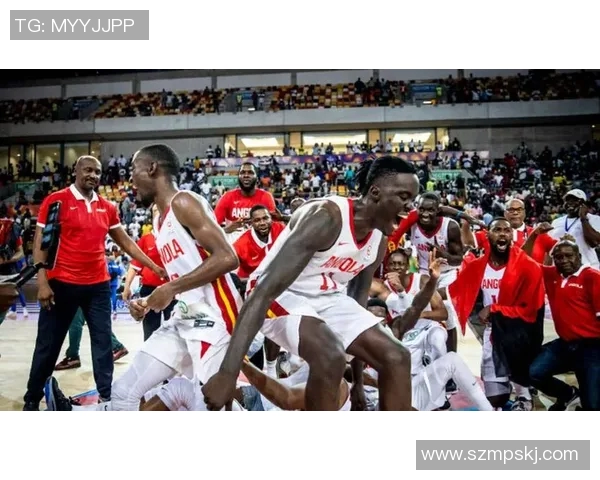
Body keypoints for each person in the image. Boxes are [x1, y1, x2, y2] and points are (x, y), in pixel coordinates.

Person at [202, 155, 421, 411]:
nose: (410, 208)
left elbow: (356, 311)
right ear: (375, 193)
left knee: (397, 357)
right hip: (277, 293)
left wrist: (358, 383)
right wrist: (227, 373)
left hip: (327, 298)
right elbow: (263, 292)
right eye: (404, 197)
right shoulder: (327, 216)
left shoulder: (378, 241)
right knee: (330, 354)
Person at [79, 144, 242, 411]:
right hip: (185, 315)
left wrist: (170, 288)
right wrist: (149, 302)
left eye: (134, 170)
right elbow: (185, 274)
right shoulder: (158, 222)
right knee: (123, 392)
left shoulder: (184, 202)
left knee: (212, 405)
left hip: (215, 318)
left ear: (152, 168)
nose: (130, 180)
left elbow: (227, 257)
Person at [23, 156, 164, 411]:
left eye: (97, 172)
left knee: (102, 343)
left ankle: (106, 398)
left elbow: (126, 242)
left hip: (97, 285)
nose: (93, 175)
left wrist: (153, 266)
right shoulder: (56, 200)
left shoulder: (107, 207)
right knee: (48, 345)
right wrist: (42, 281)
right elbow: (40, 242)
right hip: (61, 283)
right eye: (88, 170)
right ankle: (32, 399)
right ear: (76, 171)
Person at [445, 218, 545, 410]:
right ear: (487, 235)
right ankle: (510, 395)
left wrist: (494, 308)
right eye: (497, 230)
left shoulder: (528, 266)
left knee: (519, 385)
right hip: (492, 332)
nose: (502, 234)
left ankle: (524, 398)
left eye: (506, 230)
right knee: (494, 399)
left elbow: (531, 310)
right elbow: (454, 290)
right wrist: (424, 289)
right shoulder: (478, 265)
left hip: (518, 332)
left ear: (512, 235)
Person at [527, 239, 600, 411]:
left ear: (579, 256)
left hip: (593, 347)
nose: (564, 260)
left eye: (569, 255)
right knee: (534, 373)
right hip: (565, 345)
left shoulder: (593, 277)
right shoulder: (552, 274)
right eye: (559, 257)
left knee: (592, 406)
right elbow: (523, 258)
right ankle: (568, 394)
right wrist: (535, 234)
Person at [370, 248, 448, 368]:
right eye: (392, 264)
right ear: (386, 267)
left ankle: (446, 373)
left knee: (437, 341)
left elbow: (443, 314)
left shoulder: (421, 280)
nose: (397, 267)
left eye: (400, 264)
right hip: (406, 333)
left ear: (407, 266)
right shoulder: (382, 288)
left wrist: (420, 314)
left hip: (428, 327)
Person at [232, 204, 286, 376]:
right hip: (252, 290)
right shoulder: (241, 243)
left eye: (265, 218)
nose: (262, 223)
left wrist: (284, 217)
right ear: (251, 223)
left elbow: (304, 224)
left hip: (280, 287)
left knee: (276, 324)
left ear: (271, 218)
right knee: (257, 334)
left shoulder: (281, 229)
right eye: (257, 220)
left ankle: (272, 369)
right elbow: (231, 273)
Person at [122, 210, 177, 341]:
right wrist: (127, 286)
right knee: (150, 332)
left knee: (175, 330)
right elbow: (135, 265)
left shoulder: (175, 236)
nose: (158, 213)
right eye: (155, 211)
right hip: (149, 291)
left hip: (173, 289)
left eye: (160, 209)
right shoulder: (146, 239)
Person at [463, 198, 556, 264]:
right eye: (511, 210)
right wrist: (466, 224)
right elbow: (468, 242)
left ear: (524, 213)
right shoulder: (492, 233)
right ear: (505, 213)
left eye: (519, 210)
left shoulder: (539, 233)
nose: (515, 212)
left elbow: (558, 249)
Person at [214, 162, 277, 243]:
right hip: (233, 244)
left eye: (250, 173)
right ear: (238, 177)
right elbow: (212, 226)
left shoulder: (266, 197)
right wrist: (226, 229)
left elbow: (274, 227)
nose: (246, 175)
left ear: (257, 177)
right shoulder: (227, 197)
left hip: (259, 243)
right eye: (243, 172)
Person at [548, 189, 600, 270]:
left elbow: (594, 242)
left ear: (583, 204)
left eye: (574, 200)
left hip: (587, 267)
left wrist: (583, 217)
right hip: (561, 268)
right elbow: (549, 248)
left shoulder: (594, 219)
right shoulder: (556, 222)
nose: (569, 203)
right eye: (567, 200)